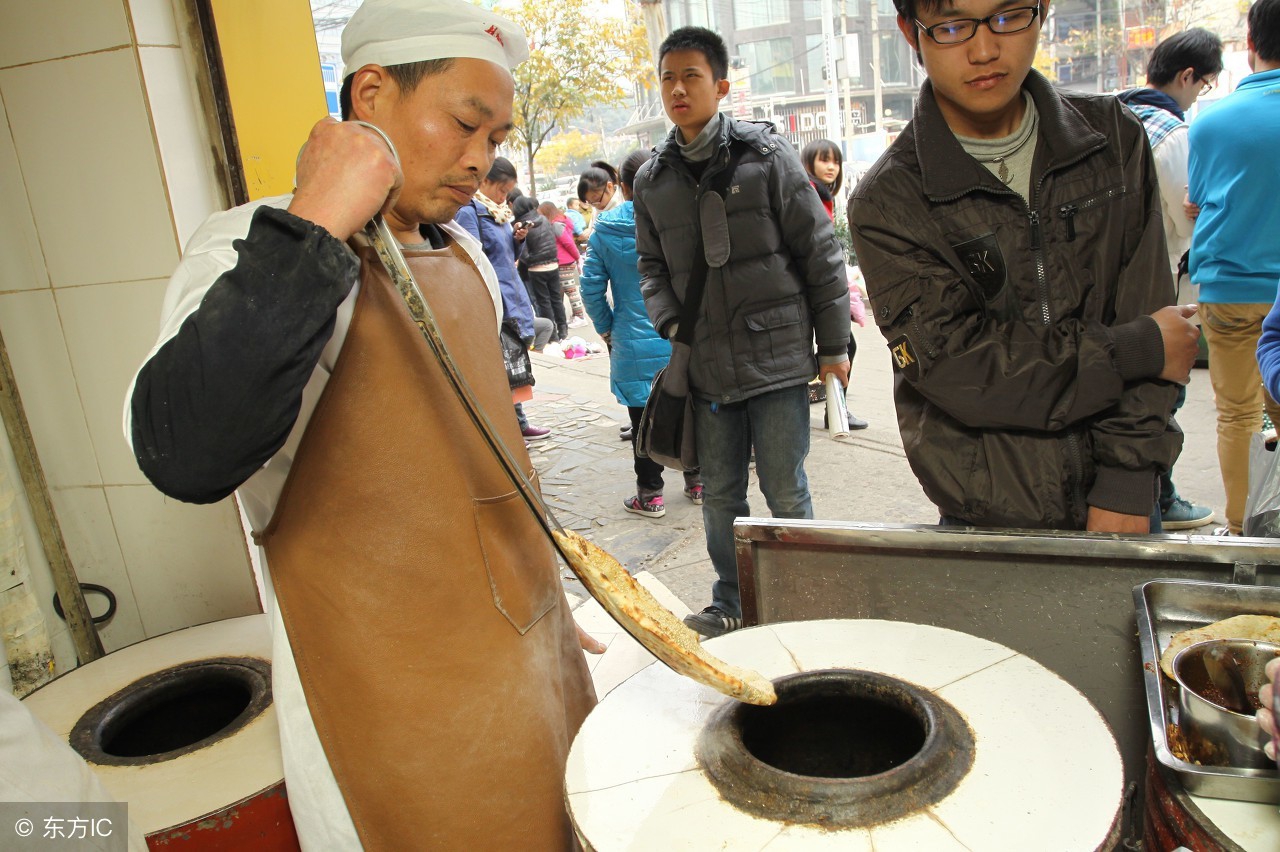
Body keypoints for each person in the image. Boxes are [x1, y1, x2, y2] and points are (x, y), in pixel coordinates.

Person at [124, 1, 599, 847]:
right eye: (464, 124)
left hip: (527, 670)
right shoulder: (253, 250)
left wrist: (543, 599)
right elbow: (184, 451)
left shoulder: (462, 257)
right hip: (389, 710)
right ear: (371, 94)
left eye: (495, 138)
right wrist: (314, 223)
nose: (480, 158)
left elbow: (486, 469)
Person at [847, 0, 1199, 533]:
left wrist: (1127, 483)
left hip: (1124, 499)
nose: (984, 49)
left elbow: (1145, 307)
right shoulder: (889, 200)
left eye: (1009, 16)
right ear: (910, 31)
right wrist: (1133, 349)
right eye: (952, 26)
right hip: (986, 511)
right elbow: (961, 369)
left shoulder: (1112, 138)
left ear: (1044, 8)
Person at [634, 27, 851, 638]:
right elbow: (650, 267)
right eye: (668, 78)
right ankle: (732, 601)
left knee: (785, 489)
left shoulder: (766, 156)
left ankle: (801, 598)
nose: (678, 89)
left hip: (777, 357)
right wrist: (670, 321)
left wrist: (834, 346)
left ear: (721, 86)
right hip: (706, 367)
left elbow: (819, 251)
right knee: (722, 496)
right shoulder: (652, 179)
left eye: (692, 76)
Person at [1115, 28, 1223, 531]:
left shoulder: (1113, 114)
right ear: (1187, 76)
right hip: (1157, 286)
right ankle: (1160, 497)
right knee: (1161, 393)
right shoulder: (1175, 136)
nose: (1199, 94)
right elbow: (1186, 219)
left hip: (1103, 284)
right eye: (1203, 85)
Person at [1186, 0, 1280, 536]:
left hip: (1230, 287)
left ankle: (1244, 528)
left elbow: (1198, 199)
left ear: (1251, 45)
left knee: (1237, 414)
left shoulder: (1211, 122)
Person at [580, 149, 704, 518]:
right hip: (681, 335)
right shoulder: (678, 218)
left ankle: (650, 495)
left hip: (632, 339)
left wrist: (607, 328)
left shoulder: (605, 230)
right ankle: (698, 482)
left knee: (642, 419)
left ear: (621, 185)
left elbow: (590, 288)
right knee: (690, 409)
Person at [454, 156, 553, 439]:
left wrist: (517, 239)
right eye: (501, 189)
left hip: (511, 293)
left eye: (508, 191)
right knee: (502, 364)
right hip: (492, 297)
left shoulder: (497, 212)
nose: (504, 197)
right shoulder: (469, 212)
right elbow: (471, 259)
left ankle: (517, 423)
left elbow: (506, 255)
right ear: (484, 181)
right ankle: (511, 427)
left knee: (511, 361)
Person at [800, 138, 870, 432]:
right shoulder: (809, 191)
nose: (831, 167)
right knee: (843, 345)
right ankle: (834, 410)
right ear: (809, 163)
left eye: (836, 161)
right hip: (810, 288)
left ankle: (835, 409)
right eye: (824, 160)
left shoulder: (819, 192)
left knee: (842, 345)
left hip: (815, 286)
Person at [519, 201, 566, 341]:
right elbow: (552, 241)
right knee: (556, 299)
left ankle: (553, 335)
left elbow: (523, 252)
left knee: (544, 302)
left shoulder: (522, 225)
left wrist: (530, 261)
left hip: (537, 269)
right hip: (553, 264)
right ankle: (563, 329)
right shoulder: (544, 220)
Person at [541, 201, 587, 328]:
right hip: (565, 261)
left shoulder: (556, 224)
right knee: (569, 290)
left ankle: (580, 317)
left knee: (571, 291)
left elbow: (568, 243)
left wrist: (577, 257)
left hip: (563, 262)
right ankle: (577, 315)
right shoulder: (561, 222)